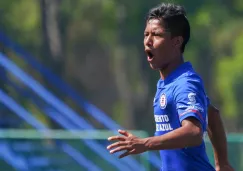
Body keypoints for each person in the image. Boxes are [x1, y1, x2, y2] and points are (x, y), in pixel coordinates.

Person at [107, 2, 233, 171]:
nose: (148, 41)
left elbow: (194, 132)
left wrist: (145, 143)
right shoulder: (167, 82)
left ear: (176, 42)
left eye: (156, 35)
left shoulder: (185, 83)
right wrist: (222, 164)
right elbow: (213, 115)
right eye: (146, 35)